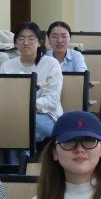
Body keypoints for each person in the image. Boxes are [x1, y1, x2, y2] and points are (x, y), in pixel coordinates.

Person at [2, 21, 63, 153]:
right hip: (14, 115)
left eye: (31, 38)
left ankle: (17, 164)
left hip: (46, 116)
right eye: (21, 38)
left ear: (39, 42)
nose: (26, 42)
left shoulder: (51, 64)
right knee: (10, 125)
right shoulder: (7, 66)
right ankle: (16, 163)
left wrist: (27, 108)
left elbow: (52, 99)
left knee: (17, 126)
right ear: (15, 43)